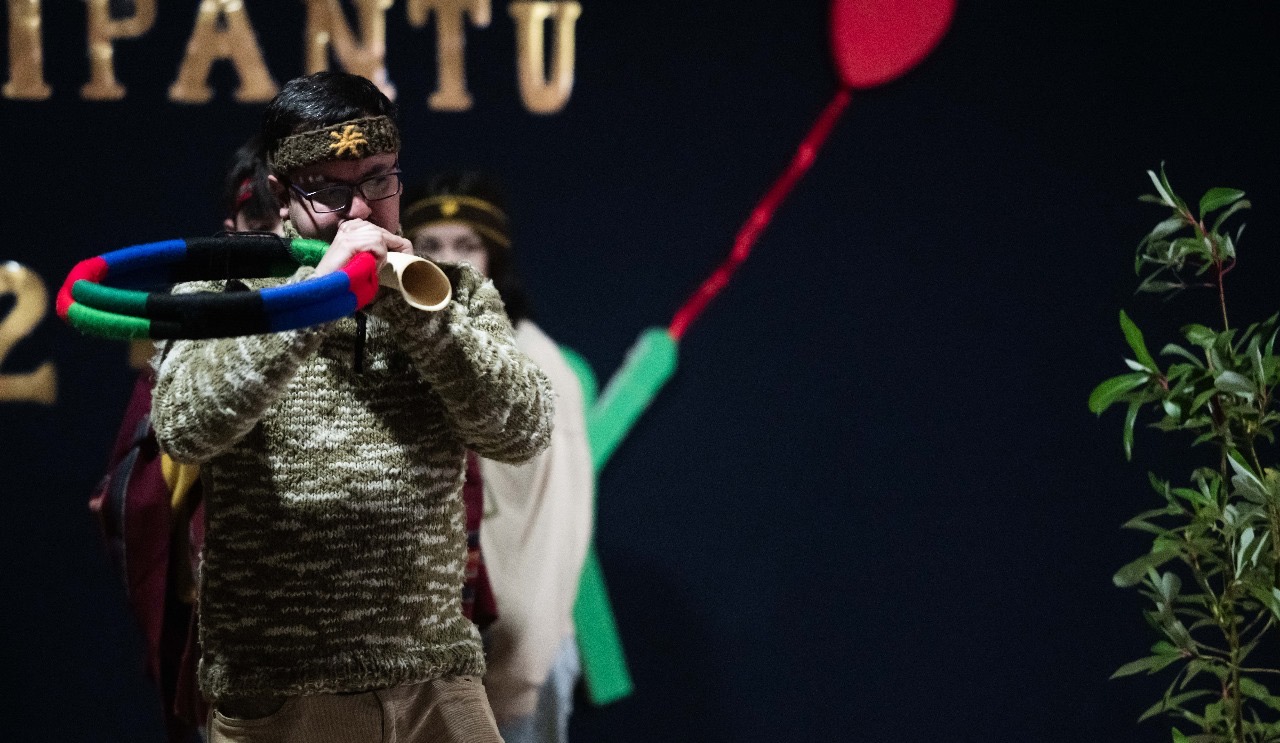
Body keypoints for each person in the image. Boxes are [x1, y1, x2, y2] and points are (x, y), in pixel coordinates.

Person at [149, 71, 554, 743]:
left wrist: (422, 317)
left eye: (378, 181)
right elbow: (185, 428)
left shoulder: (457, 293)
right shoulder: (220, 293)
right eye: (330, 191)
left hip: (438, 680)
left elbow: (522, 430)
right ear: (282, 195)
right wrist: (313, 299)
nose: (361, 211)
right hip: (283, 690)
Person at [90, 136, 282, 743]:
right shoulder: (193, 329)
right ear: (231, 233)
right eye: (261, 225)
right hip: (227, 618)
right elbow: (142, 487)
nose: (279, 238)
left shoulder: (360, 319)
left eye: (289, 220)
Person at [401, 171, 594, 743]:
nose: (448, 262)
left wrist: (521, 665)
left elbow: (557, 532)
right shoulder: (413, 356)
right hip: (433, 659)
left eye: (467, 246)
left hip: (513, 658)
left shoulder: (534, 365)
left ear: (495, 257)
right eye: (430, 245)